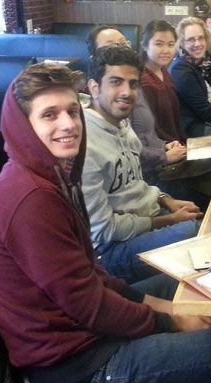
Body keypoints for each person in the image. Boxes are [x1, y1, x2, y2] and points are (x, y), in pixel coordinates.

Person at [0, 62, 211, 383]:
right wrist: (173, 321)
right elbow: (90, 307)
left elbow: (93, 277)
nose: (68, 124)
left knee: (188, 285)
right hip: (74, 364)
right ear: (22, 126)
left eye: (72, 111)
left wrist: (171, 310)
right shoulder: (31, 199)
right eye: (49, 115)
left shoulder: (49, 177)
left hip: (86, 334)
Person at [82, 47, 203, 283]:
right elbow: (103, 230)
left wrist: (166, 200)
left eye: (133, 84)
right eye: (116, 82)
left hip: (146, 219)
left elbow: (136, 183)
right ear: (94, 88)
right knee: (196, 233)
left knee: (209, 222)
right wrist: (168, 220)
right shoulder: (85, 143)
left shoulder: (122, 123)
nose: (127, 92)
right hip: (111, 251)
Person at [137, 20, 211, 210]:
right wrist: (171, 147)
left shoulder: (165, 73)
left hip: (178, 145)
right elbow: (151, 129)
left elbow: (174, 119)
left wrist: (183, 143)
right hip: (161, 164)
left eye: (170, 44)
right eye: (159, 44)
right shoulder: (143, 81)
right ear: (144, 45)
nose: (165, 50)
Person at [170, 17, 211, 137]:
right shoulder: (181, 69)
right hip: (191, 130)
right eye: (191, 40)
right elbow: (204, 111)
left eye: (201, 38)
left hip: (202, 122)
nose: (197, 44)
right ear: (182, 43)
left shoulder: (200, 64)